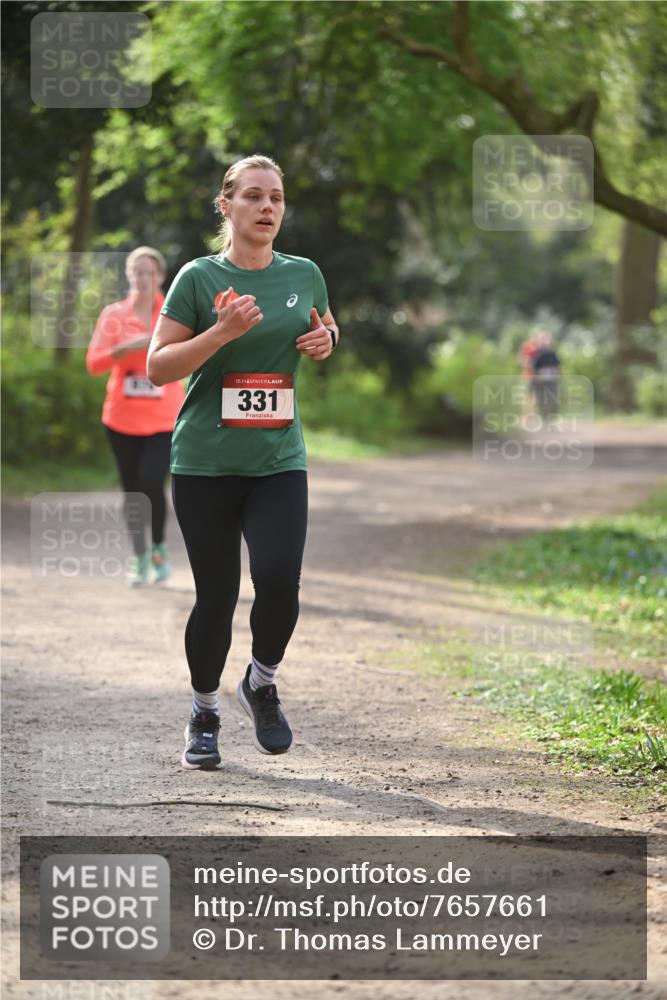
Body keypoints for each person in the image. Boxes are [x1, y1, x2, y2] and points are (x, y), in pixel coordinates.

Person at [147, 154, 340, 770]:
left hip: (279, 457)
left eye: (277, 198)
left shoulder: (304, 273)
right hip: (206, 462)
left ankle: (261, 682)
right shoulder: (198, 279)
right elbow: (158, 367)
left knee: (281, 579)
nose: (267, 208)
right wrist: (222, 333)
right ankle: (204, 711)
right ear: (226, 206)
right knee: (217, 595)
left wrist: (326, 340)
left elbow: (325, 325)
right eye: (253, 196)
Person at [86, 247, 185, 585]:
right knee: (131, 491)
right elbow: (94, 363)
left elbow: (191, 354)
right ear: (128, 275)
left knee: (150, 481)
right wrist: (123, 349)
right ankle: (139, 556)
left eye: (148, 272)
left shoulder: (174, 313)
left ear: (160, 276)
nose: (142, 278)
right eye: (136, 271)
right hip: (121, 418)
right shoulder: (114, 314)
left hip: (163, 417)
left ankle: (158, 549)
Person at [531, 331, 561, 417]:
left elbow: (557, 366)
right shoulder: (538, 353)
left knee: (552, 396)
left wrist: (558, 375)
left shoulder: (553, 353)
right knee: (541, 397)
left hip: (551, 378)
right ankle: (543, 414)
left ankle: (551, 414)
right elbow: (535, 367)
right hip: (541, 378)